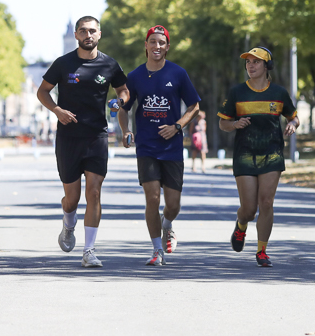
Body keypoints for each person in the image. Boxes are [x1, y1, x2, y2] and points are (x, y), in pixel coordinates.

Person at [37, 16, 129, 268]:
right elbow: (42, 91)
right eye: (83, 31)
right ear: (76, 35)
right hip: (68, 138)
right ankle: (68, 224)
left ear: (99, 34)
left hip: (97, 135)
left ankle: (89, 250)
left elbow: (123, 90)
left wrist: (119, 101)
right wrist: (57, 111)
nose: (88, 35)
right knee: (72, 197)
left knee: (94, 192)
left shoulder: (110, 64)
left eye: (92, 31)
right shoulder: (63, 63)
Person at [117, 25, 201, 266]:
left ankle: (167, 225)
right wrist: (126, 131)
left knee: (172, 205)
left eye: (161, 43)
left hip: (172, 147)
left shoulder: (178, 73)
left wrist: (177, 126)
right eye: (152, 42)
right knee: (152, 198)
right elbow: (124, 108)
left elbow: (194, 106)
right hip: (146, 147)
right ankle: (156, 250)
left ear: (167, 47)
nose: (157, 46)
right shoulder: (134, 76)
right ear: (146, 45)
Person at [218, 46, 299, 267]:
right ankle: (241, 224)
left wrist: (292, 124)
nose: (250, 66)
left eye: (256, 62)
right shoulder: (237, 92)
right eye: (248, 62)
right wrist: (234, 123)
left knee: (266, 202)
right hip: (245, 153)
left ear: (266, 66)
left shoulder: (279, 93)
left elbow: (294, 117)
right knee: (249, 208)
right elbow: (222, 123)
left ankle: (262, 251)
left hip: (271, 153)